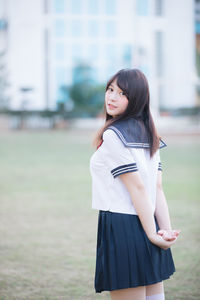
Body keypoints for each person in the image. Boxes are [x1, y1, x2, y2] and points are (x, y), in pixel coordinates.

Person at [89, 68, 181, 300]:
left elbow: (139, 187)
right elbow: (156, 188)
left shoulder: (114, 135)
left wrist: (154, 234)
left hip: (123, 225)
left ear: (137, 98)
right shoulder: (150, 134)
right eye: (110, 89)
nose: (111, 97)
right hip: (148, 221)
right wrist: (165, 231)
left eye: (122, 93)